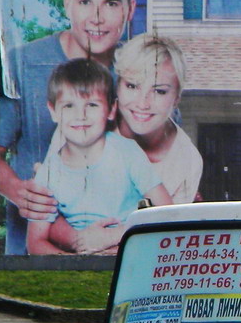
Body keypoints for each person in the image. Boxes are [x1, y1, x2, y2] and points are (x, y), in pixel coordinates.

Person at [0, 0, 137, 255]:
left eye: (110, 3)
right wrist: (15, 189)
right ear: (67, 5)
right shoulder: (22, 64)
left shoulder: (140, 70)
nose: (96, 17)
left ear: (129, 10)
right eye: (85, 1)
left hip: (122, 254)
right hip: (35, 260)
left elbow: (163, 161)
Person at [51, 33, 203, 254]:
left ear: (177, 98)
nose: (143, 103)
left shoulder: (187, 161)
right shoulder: (79, 123)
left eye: (159, 91)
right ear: (118, 85)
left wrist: (113, 238)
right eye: (132, 86)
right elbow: (44, 213)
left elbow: (168, 233)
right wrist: (81, 241)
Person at [25, 59, 172, 255]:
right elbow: (35, 243)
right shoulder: (47, 172)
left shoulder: (127, 152)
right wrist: (74, 262)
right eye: (69, 106)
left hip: (129, 252)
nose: (81, 115)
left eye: (92, 105)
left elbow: (169, 213)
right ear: (53, 111)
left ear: (111, 110)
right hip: (79, 263)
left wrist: (114, 236)